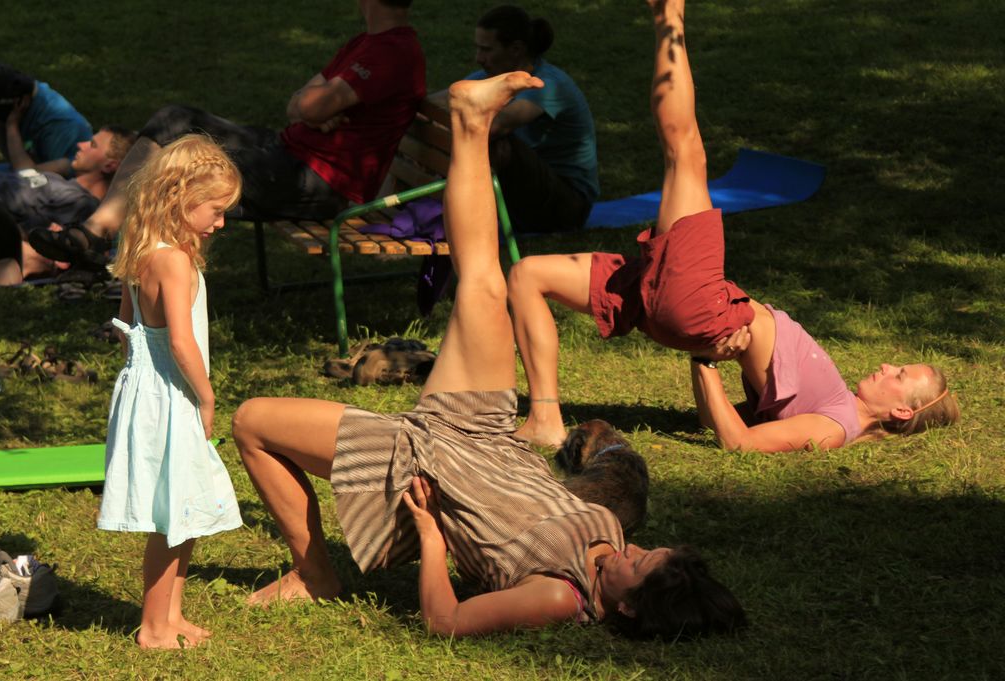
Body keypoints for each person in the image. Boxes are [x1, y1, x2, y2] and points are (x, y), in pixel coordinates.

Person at [231, 69, 745, 640]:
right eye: (654, 548)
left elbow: (445, 622)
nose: (638, 548)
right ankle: (471, 121)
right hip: (484, 434)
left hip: (420, 465)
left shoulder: (558, 594)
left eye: (640, 562)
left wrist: (430, 536)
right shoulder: (614, 546)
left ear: (626, 607)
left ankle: (314, 575)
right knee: (485, 283)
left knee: (251, 420)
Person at [508, 0, 960, 452]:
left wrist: (705, 348)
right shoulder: (833, 400)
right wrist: (703, 358)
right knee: (528, 274)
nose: (886, 366)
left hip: (704, 308)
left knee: (685, 150)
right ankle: (545, 417)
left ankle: (669, 17)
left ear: (903, 411)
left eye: (899, 376)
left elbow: (739, 442)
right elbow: (712, 421)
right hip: (689, 317)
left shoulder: (836, 425)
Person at [28, 0, 426, 270]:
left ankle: (137, 266)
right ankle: (99, 233)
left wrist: (313, 106)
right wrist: (311, 106)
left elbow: (308, 105)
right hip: (288, 154)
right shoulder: (368, 43)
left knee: (184, 167)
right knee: (175, 119)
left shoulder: (390, 52)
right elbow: (298, 106)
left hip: (319, 183)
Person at [96, 135, 243, 649]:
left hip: (148, 391)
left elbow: (126, 326)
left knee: (182, 507)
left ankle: (173, 614)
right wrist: (206, 397)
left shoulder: (140, 250)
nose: (221, 222)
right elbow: (181, 343)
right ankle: (155, 626)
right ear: (179, 197)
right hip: (173, 393)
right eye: (216, 210)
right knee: (169, 517)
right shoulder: (174, 263)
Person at [466, 5, 599, 232]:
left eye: (486, 50)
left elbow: (496, 126)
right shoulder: (493, 76)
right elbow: (443, 102)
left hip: (567, 207)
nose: (479, 58)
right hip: (533, 194)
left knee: (497, 142)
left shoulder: (548, 85)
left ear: (516, 49)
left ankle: (462, 215)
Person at [0, 99, 136, 285]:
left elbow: (40, 240)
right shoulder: (58, 179)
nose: (81, 145)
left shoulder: (83, 205)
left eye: (92, 145)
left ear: (109, 165)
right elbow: (24, 170)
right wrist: (11, 125)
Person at [0, 60, 94, 177]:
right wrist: (2, 119)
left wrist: (11, 126)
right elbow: (12, 161)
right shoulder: (21, 101)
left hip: (46, 183)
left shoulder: (61, 127)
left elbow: (30, 178)